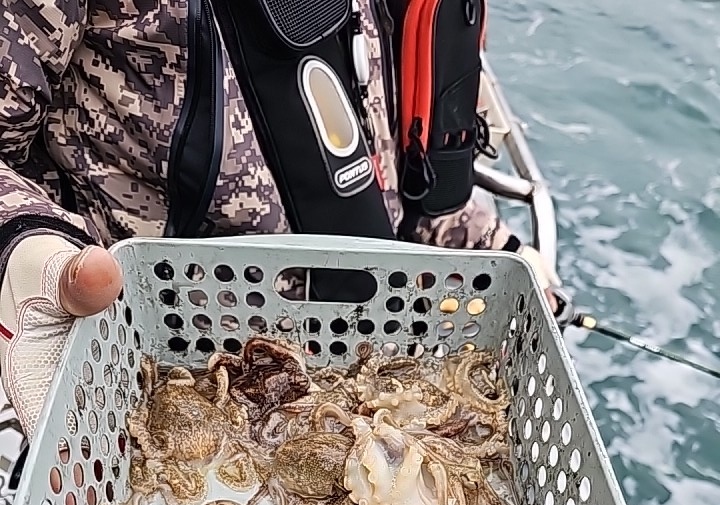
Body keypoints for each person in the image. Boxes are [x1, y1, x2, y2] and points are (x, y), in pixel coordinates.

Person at [0, 0, 559, 441]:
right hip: (175, 376)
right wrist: (25, 241)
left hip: (371, 360)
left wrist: (487, 246)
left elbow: (387, 142)